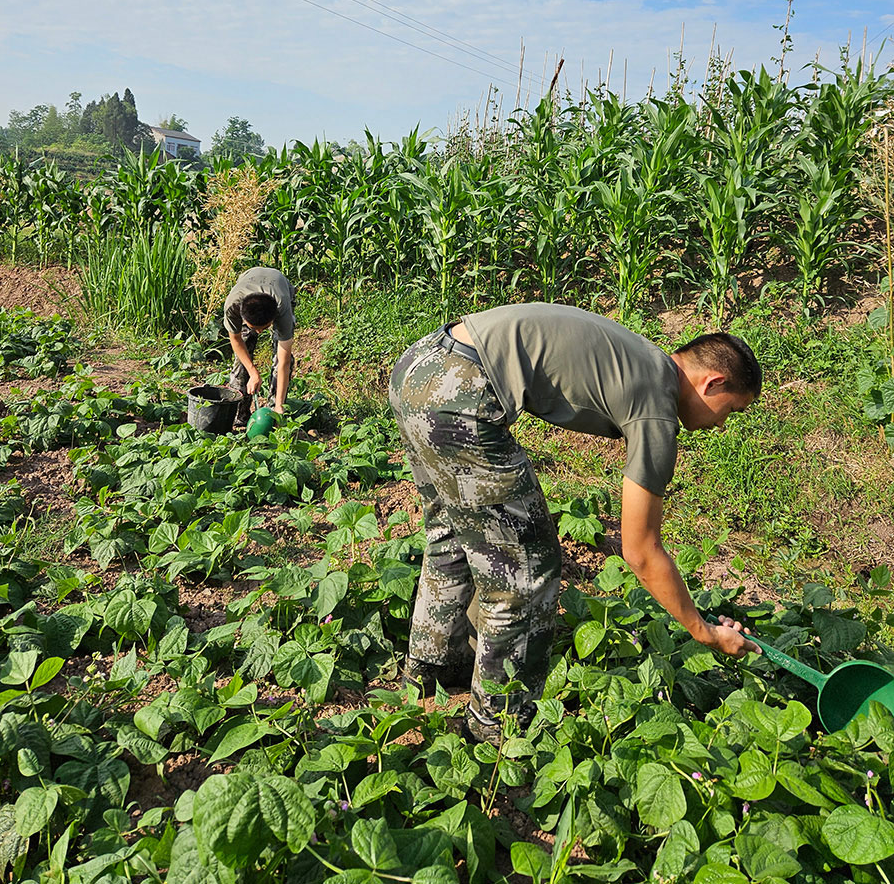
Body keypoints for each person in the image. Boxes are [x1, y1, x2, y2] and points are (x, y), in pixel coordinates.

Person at [388, 303, 763, 742]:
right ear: (712, 383)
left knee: (452, 535)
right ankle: (499, 725)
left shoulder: (644, 360)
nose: (722, 424)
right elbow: (641, 551)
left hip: (420, 365)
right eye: (731, 410)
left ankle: (434, 665)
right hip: (463, 392)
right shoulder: (657, 404)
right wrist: (703, 631)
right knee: (525, 568)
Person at [223, 267, 296, 426]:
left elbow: (284, 362)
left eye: (264, 327)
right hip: (248, 279)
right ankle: (240, 415)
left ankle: (273, 414)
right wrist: (252, 371)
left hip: (280, 285)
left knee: (281, 358)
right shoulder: (233, 305)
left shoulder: (282, 308)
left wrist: (279, 406)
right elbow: (235, 340)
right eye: (255, 327)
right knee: (243, 351)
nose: (259, 332)